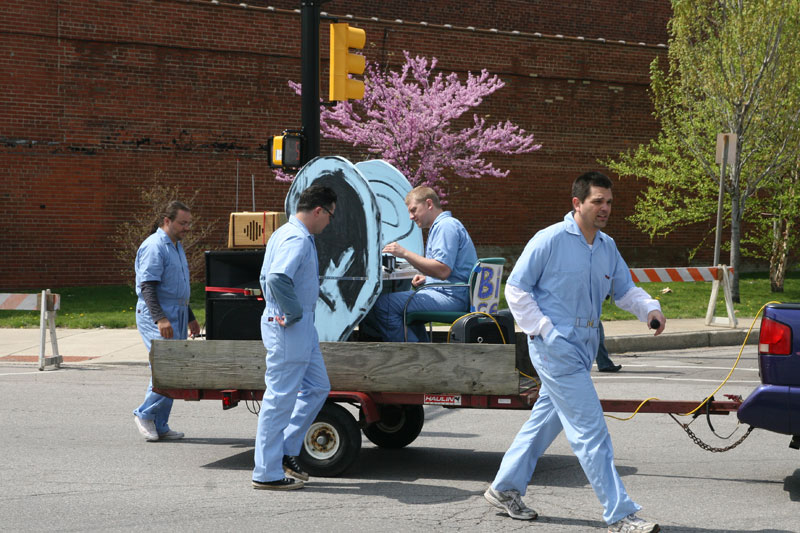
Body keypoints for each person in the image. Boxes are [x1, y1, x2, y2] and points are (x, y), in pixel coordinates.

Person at [484, 172, 666, 533]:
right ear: (577, 203)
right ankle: (619, 513)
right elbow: (516, 289)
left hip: (584, 346)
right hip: (556, 349)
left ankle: (504, 487)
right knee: (590, 430)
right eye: (598, 201)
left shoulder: (606, 246)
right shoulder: (549, 240)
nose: (605, 208)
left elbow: (624, 289)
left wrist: (649, 309)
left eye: (609, 202)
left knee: (544, 422)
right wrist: (546, 331)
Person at [252, 184, 336, 490]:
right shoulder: (297, 238)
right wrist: (293, 312)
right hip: (290, 324)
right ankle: (267, 472)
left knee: (317, 387)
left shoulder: (290, 233)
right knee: (280, 399)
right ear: (318, 210)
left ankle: (286, 451)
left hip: (296, 324)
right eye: (330, 215)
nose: (329, 222)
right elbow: (277, 277)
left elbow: (268, 277)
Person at [368, 186, 478, 342]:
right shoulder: (445, 225)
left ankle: (411, 357)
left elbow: (442, 270)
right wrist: (427, 279)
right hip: (454, 293)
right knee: (403, 308)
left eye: (414, 210)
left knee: (384, 306)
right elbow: (449, 271)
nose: (411, 217)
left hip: (453, 298)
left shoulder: (446, 227)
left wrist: (404, 253)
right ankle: (423, 353)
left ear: (429, 204)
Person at [133, 200, 200, 442]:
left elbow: (177, 288)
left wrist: (190, 317)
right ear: (167, 221)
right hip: (157, 315)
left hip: (177, 313)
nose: (186, 228)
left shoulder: (176, 245)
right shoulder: (154, 247)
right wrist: (160, 318)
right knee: (166, 368)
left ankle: (160, 424)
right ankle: (144, 414)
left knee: (175, 368)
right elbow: (148, 287)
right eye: (182, 223)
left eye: (188, 224)